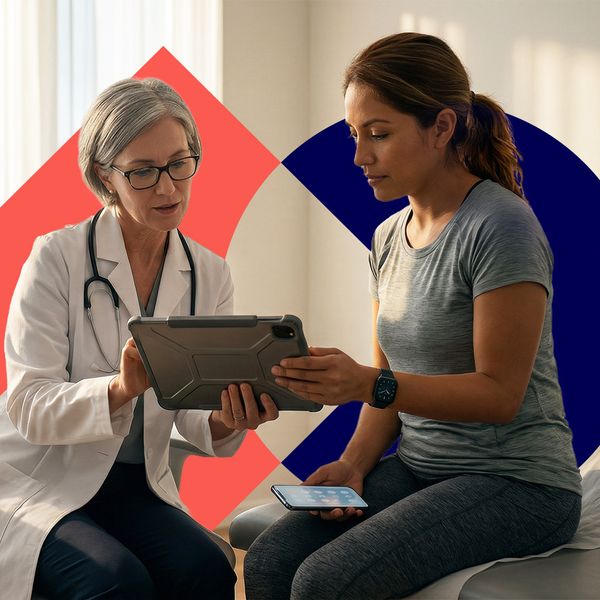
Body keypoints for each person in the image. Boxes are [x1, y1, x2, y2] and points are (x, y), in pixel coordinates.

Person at [244, 32, 582, 600]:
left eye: (378, 134)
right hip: (422, 466)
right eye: (354, 136)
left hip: (518, 482)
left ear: (442, 128)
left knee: (324, 583)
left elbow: (500, 394)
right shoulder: (386, 239)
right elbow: (388, 389)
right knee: (271, 560)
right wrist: (353, 464)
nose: (359, 157)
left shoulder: (502, 227)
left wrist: (366, 382)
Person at [0, 77, 279, 600]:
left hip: (134, 485)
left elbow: (192, 408)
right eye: (143, 172)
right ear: (105, 177)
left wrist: (227, 416)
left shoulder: (208, 274)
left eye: (179, 163)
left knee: (207, 568)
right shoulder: (55, 258)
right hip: (39, 478)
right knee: (115, 583)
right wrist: (118, 389)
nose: (168, 188)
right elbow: (28, 406)